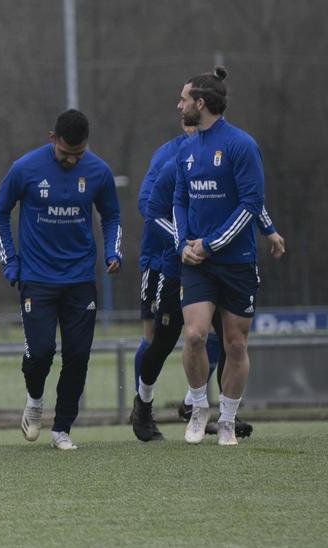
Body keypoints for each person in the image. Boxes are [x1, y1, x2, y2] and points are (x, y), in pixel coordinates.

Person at [136, 120, 284, 442]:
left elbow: (243, 198)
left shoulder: (231, 147)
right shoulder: (171, 157)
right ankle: (144, 404)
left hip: (221, 260)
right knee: (165, 339)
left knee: (226, 339)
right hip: (174, 264)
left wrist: (267, 228)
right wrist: (183, 245)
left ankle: (210, 409)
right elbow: (152, 208)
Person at [0, 109, 121, 451]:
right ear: (52, 139)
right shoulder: (25, 169)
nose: (70, 160)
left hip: (80, 279)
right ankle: (35, 401)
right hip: (36, 278)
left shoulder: (98, 171)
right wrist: (10, 261)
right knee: (42, 352)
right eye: (65, 154)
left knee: (78, 355)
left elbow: (111, 214)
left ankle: (62, 428)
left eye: (77, 155)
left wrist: (112, 251)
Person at [171, 67, 266, 446]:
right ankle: (198, 407)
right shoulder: (186, 149)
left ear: (201, 103)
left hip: (237, 261)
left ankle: (227, 420)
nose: (179, 105)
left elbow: (251, 204)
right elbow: (178, 200)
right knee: (193, 336)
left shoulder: (242, 145)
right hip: (197, 263)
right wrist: (184, 245)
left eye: (183, 98)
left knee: (236, 345)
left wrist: (211, 243)